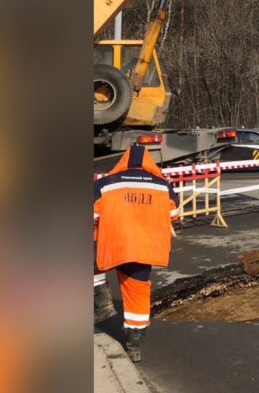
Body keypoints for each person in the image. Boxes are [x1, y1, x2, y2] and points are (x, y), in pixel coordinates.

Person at [93, 144, 180, 362]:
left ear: (123, 161)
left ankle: (101, 302)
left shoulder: (105, 184)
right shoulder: (163, 185)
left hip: (114, 244)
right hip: (144, 247)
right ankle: (134, 345)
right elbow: (174, 213)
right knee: (137, 292)